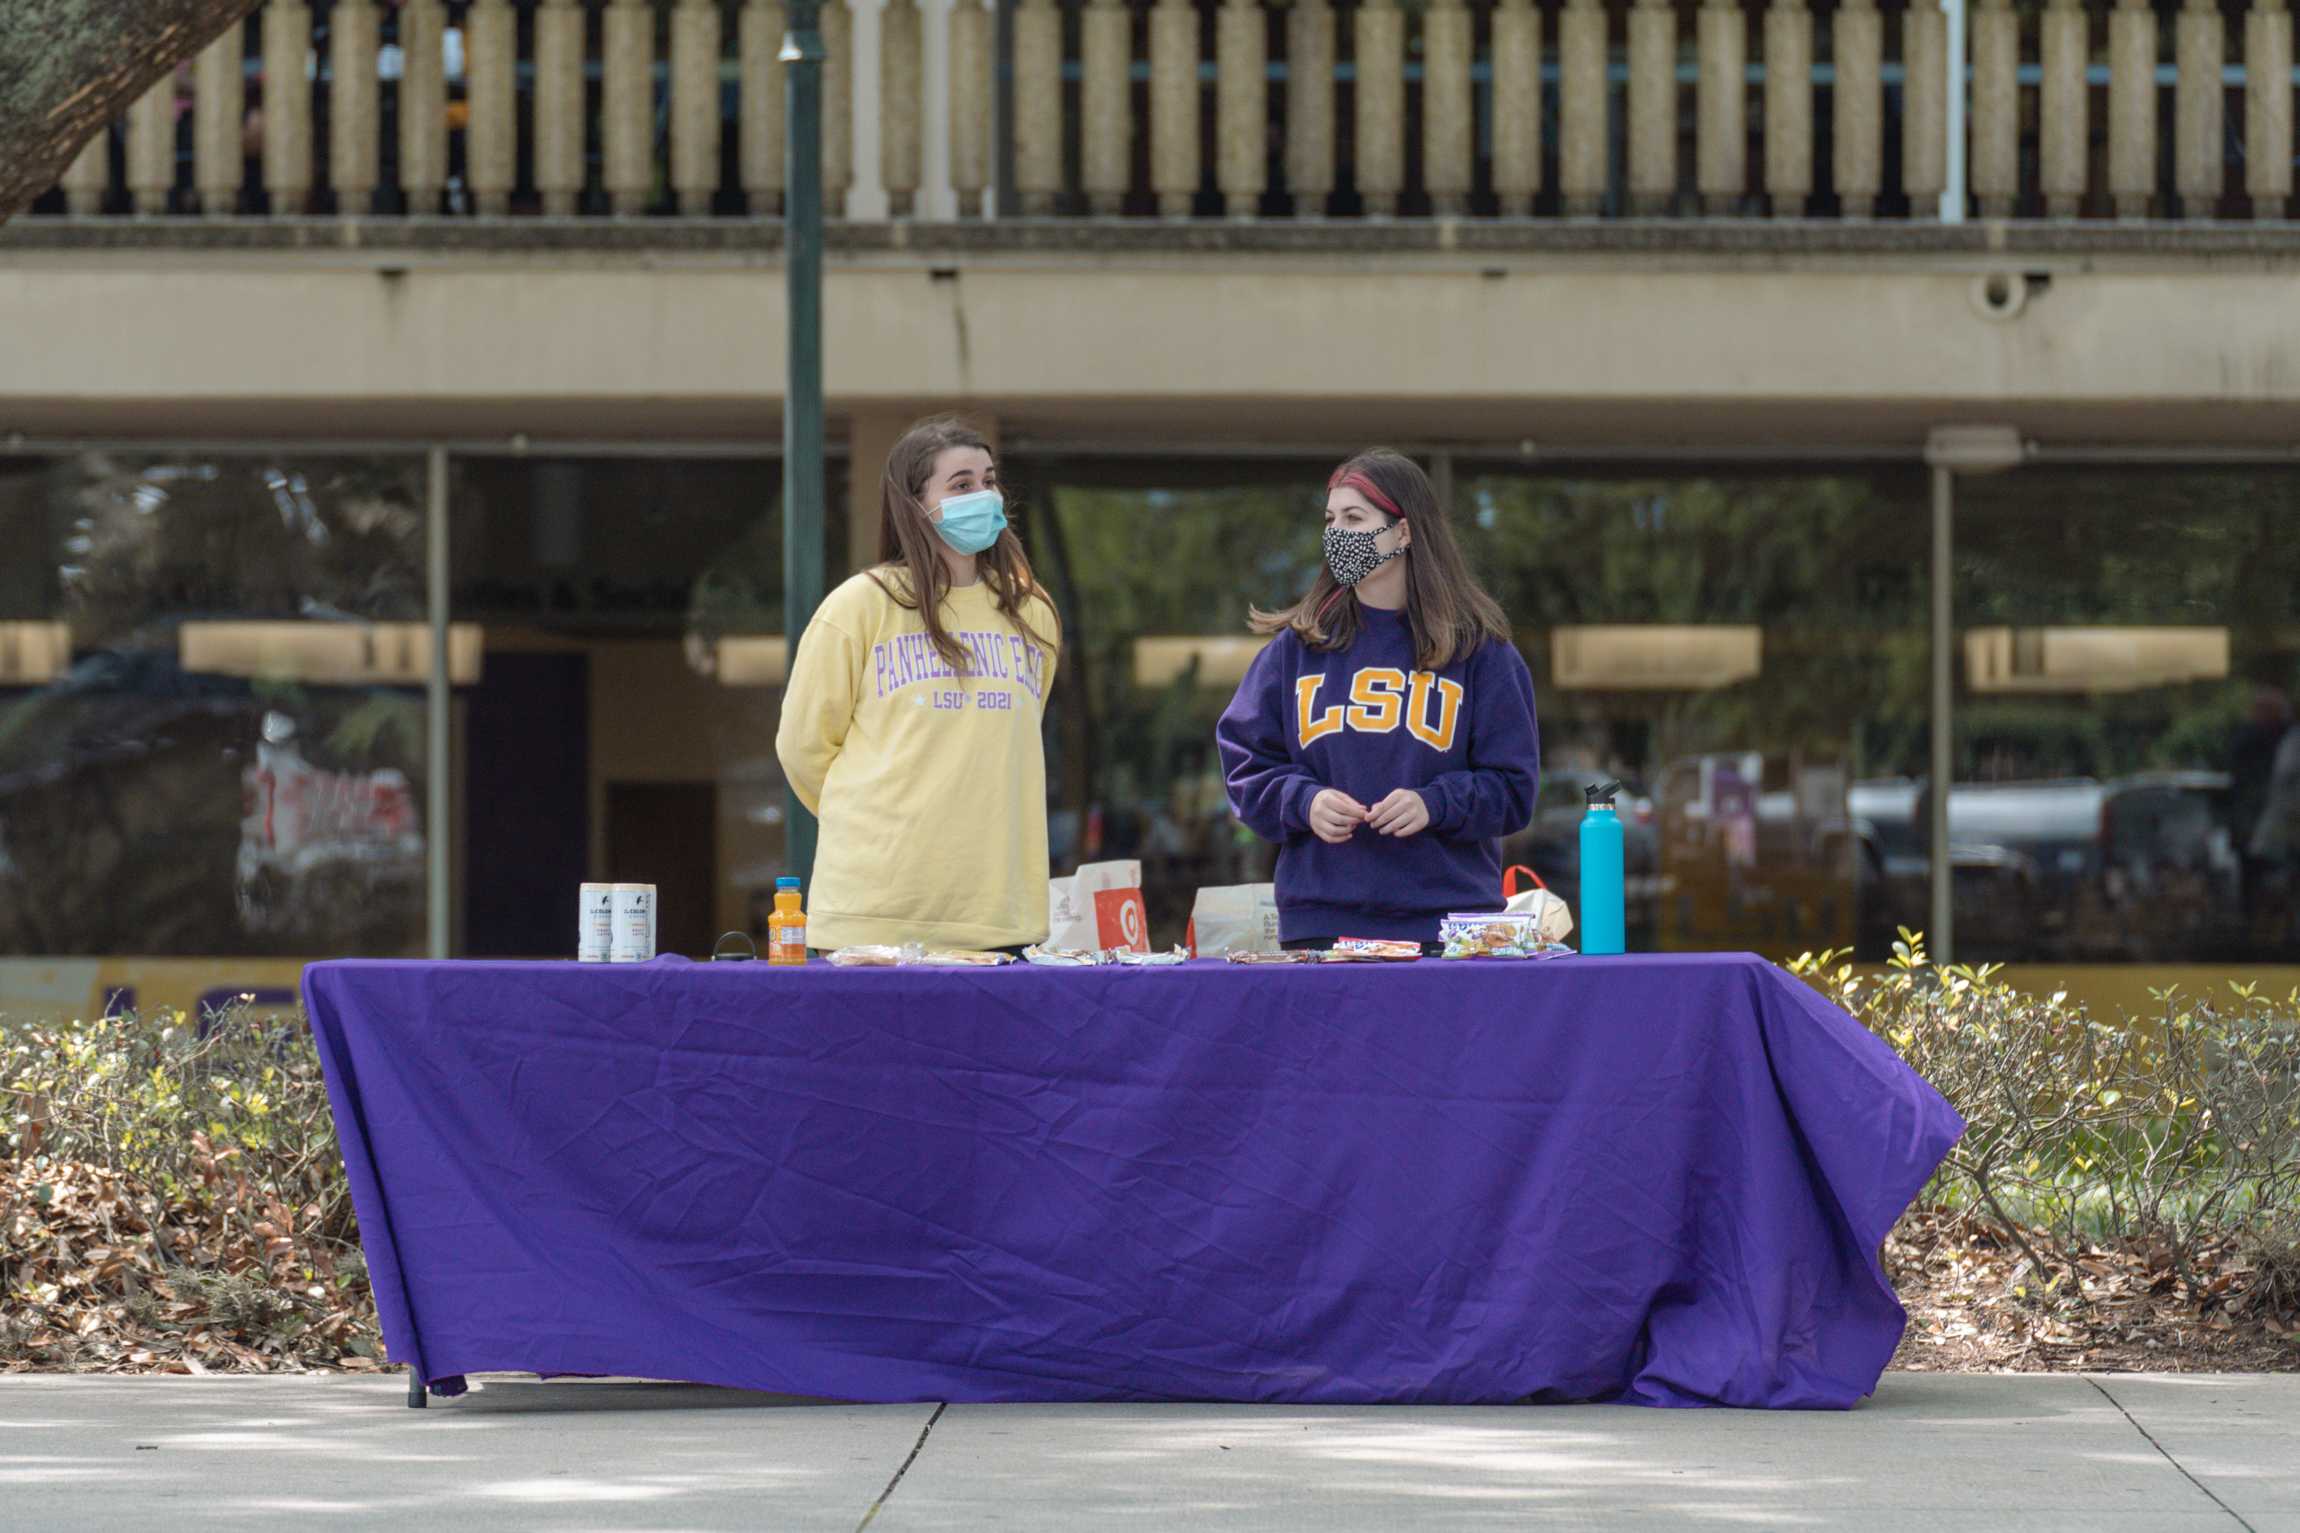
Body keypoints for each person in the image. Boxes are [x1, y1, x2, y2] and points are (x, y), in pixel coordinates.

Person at [1215, 448, 1539, 950]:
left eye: (1354, 517)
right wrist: (1305, 800)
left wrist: (1435, 805)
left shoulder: (1481, 652)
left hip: (1447, 929)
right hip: (1321, 927)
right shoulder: (1296, 650)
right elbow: (1245, 765)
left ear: (1403, 532)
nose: (1337, 534)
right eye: (1330, 519)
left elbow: (1515, 790)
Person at [776, 418, 1061, 953]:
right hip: (871, 914)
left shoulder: (1033, 613)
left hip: (996, 916)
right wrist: (882, 820)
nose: (983, 495)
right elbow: (802, 748)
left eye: (988, 480)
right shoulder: (858, 606)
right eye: (960, 485)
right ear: (914, 503)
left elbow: (1012, 744)